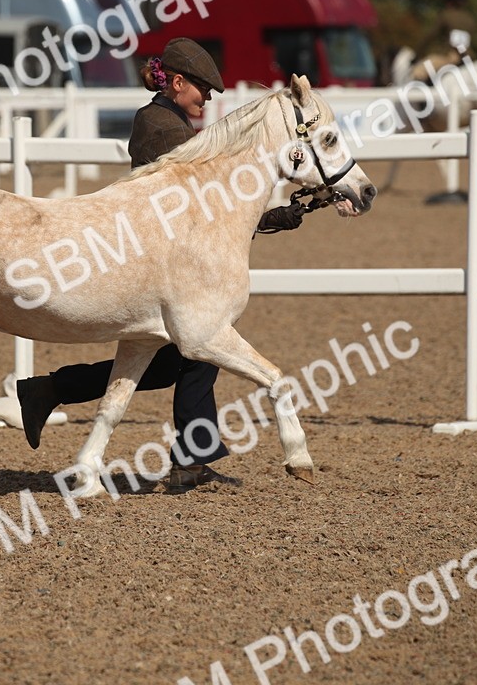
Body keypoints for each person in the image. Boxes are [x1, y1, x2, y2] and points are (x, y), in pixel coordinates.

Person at [16, 38, 305, 492]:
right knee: (199, 353)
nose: (207, 99)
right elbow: (200, 203)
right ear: (177, 82)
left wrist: (278, 216)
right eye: (202, 90)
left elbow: (212, 208)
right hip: (152, 259)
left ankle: (54, 391)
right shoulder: (159, 126)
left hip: (171, 256)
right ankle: (191, 457)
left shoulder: (174, 123)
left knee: (173, 362)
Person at [411, 0, 477, 82]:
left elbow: (430, 36)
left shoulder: (446, 15)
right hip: (468, 57)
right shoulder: (470, 19)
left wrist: (416, 54)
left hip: (450, 57)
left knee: (418, 71)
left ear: (449, 1)